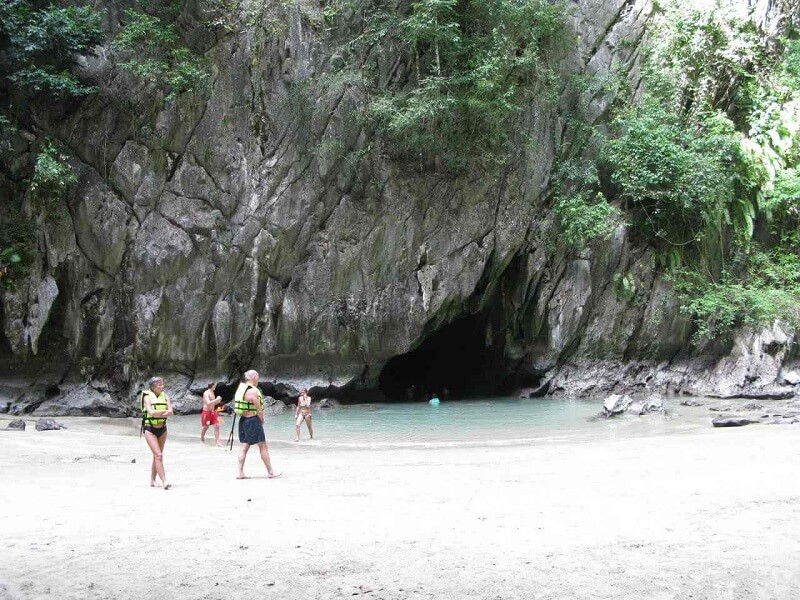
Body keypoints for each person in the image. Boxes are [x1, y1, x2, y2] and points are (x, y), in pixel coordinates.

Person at [233, 370, 281, 479]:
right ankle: (271, 472)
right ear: (253, 377)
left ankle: (240, 473)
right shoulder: (252, 391)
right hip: (252, 420)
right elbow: (259, 409)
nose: (258, 379)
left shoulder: (242, 388)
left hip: (243, 420)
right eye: (258, 377)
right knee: (263, 446)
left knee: (244, 446)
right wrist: (261, 419)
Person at [141, 376, 174, 489]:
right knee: (158, 455)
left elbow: (171, 412)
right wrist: (164, 412)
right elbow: (151, 412)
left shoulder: (165, 397)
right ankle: (164, 481)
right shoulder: (147, 397)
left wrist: (159, 412)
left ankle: (152, 480)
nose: (162, 386)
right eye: (159, 385)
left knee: (157, 455)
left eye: (162, 384)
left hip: (163, 429)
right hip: (150, 429)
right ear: (153, 387)